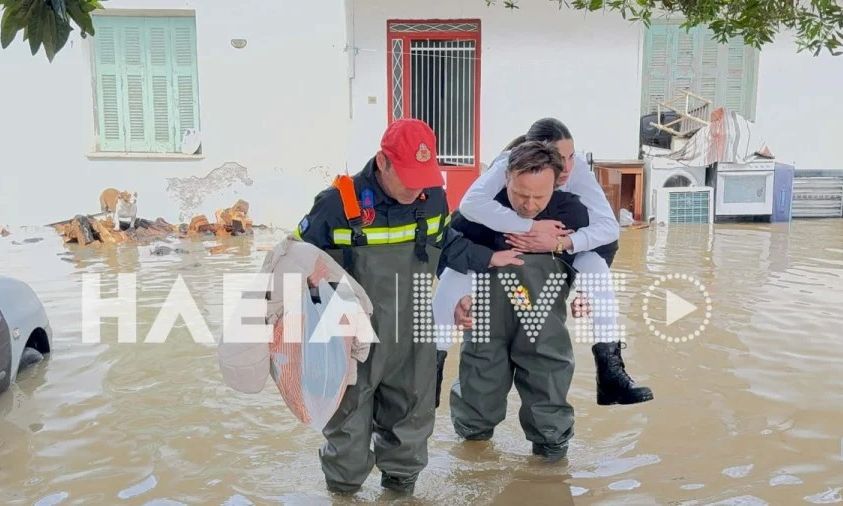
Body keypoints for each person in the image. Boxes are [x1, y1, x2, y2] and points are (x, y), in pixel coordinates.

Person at [293, 118, 520, 495]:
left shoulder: (432, 198)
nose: (419, 190)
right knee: (346, 444)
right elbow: (294, 266)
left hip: (413, 339)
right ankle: (343, 495)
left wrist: (489, 260)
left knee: (410, 434)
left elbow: (446, 245)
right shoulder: (336, 206)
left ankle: (400, 495)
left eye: (425, 178)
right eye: (410, 178)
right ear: (383, 162)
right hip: (350, 343)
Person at [458, 118, 653, 406]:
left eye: (572, 156)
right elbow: (469, 205)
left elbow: (608, 229)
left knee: (597, 270)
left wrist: (560, 243)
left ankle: (610, 371)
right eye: (560, 158)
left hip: (557, 246)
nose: (568, 166)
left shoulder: (577, 173)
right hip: (503, 245)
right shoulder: (507, 163)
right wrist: (529, 228)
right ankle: (434, 373)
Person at [443, 140, 585, 461]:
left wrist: (578, 273)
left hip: (541, 319)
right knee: (479, 383)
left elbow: (595, 255)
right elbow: (448, 249)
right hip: (487, 316)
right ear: (506, 177)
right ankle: (473, 462)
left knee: (547, 379)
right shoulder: (478, 210)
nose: (530, 205)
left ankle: (550, 466)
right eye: (521, 194)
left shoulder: (572, 209)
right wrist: (459, 293)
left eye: (539, 196)